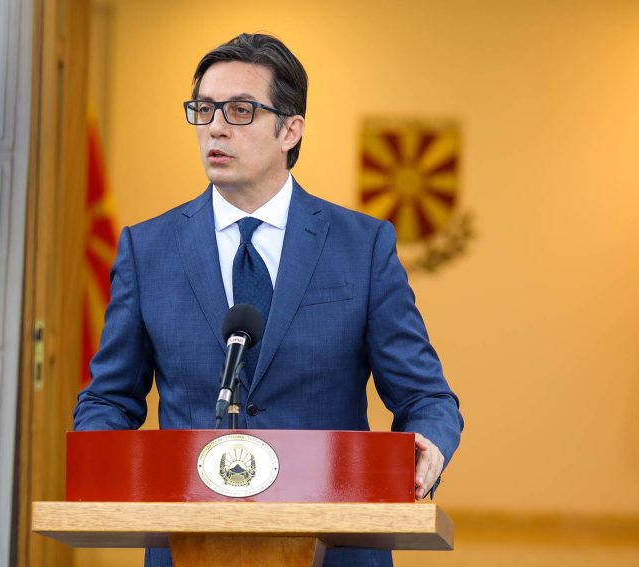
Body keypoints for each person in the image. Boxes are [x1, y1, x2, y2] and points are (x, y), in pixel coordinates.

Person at [74, 33, 463, 567]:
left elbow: (425, 397)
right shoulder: (149, 249)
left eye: (240, 110)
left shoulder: (362, 247)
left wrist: (429, 443)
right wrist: (97, 459)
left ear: (290, 130)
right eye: (204, 109)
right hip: (189, 544)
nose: (216, 127)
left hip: (336, 546)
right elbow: (109, 400)